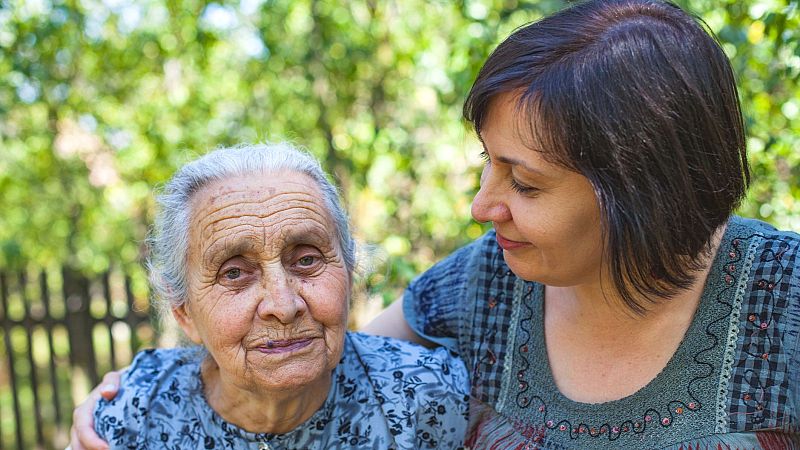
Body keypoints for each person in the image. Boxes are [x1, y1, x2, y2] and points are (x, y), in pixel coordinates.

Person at [72, 0, 800, 448]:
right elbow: (305, 350)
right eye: (489, 163)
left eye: (525, 182)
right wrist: (138, 394)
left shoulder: (784, 299)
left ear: (644, 190)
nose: (484, 205)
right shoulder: (484, 282)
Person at [85, 143, 469, 449]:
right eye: (234, 273)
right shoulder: (132, 417)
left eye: (306, 260)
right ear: (184, 312)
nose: (283, 306)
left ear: (349, 277)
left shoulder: (427, 396)